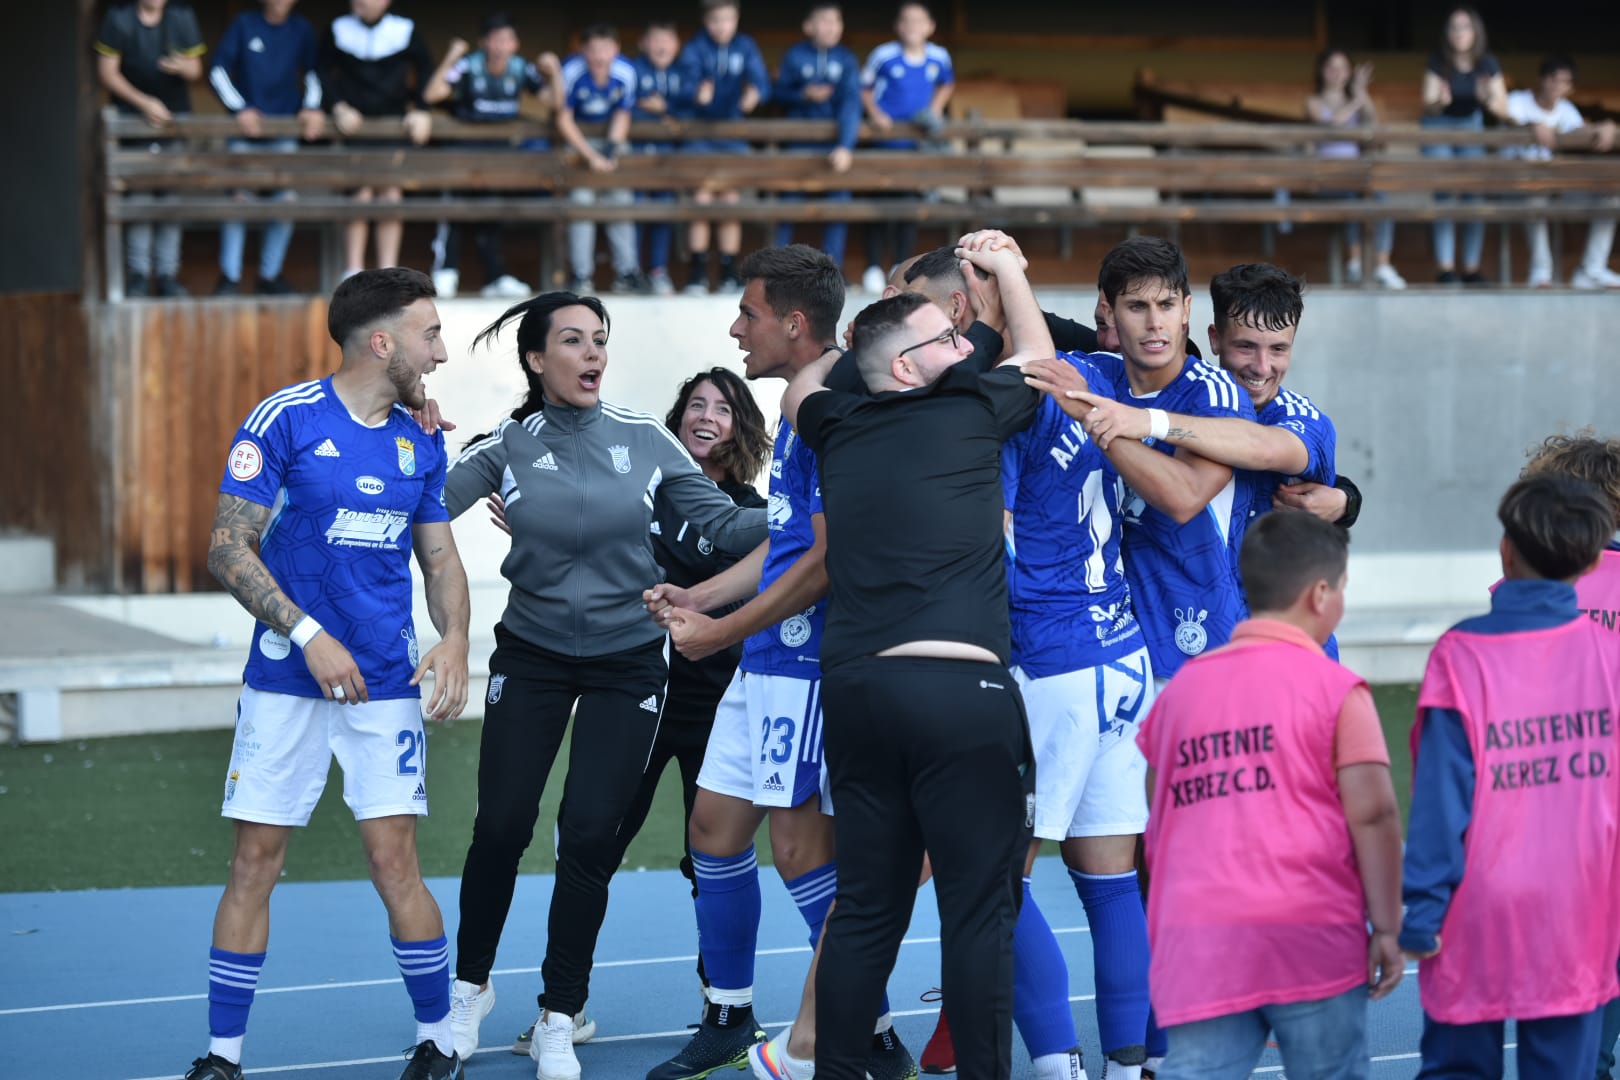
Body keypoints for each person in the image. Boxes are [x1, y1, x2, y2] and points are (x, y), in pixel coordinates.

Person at [438, 291, 768, 1080]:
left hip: (629, 661)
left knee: (588, 835)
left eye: (601, 341)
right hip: (533, 655)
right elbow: (426, 506)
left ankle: (559, 1014)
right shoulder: (506, 445)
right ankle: (468, 992)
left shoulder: (645, 439)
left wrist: (818, 506)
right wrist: (407, 439)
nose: (593, 355)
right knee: (502, 826)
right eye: (575, 341)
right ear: (535, 359)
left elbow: (724, 528)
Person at [184, 267, 472, 1080]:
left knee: (395, 863)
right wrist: (307, 633)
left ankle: (437, 1040)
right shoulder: (286, 419)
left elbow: (441, 558)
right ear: (382, 343)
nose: (441, 351)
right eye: (431, 333)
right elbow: (225, 546)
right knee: (255, 862)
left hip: (385, 683)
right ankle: (222, 1058)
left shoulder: (424, 436)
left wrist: (453, 640)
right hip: (285, 680)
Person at [777, 239, 1051, 1080]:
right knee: (976, 914)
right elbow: (1039, 359)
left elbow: (800, 387)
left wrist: (867, 350)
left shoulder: (837, 425)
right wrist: (1008, 271)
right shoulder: (967, 410)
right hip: (956, 689)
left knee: (865, 909)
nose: (966, 348)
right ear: (903, 367)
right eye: (946, 341)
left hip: (858, 694)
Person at [643, 246, 916, 1080]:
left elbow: (826, 564)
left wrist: (718, 634)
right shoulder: (806, 403)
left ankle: (861, 1027)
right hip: (765, 658)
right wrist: (701, 599)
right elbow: (783, 544)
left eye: (749, 314)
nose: (736, 329)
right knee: (712, 832)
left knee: (801, 854)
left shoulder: (833, 405)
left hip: (806, 665)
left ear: (794, 324)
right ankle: (729, 1015)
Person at [1138, 509, 1404, 1079]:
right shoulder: (1335, 688)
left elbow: (1156, 808)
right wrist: (1385, 925)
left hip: (1199, 935)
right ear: (1320, 594)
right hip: (1310, 933)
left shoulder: (1182, 690)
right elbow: (1375, 812)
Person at [1403, 472, 1620, 1079]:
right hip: (1579, 910)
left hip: (1477, 908)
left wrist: (1419, 911)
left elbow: (1440, 800)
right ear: (1585, 565)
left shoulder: (1461, 652)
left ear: (1506, 548)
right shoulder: (1611, 659)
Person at [1033, 237, 1256, 688]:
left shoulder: (1213, 392)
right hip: (1120, 643)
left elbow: (1183, 497)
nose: (1156, 324)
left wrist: (1097, 420)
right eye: (1137, 307)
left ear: (1188, 309)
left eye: (1167, 305)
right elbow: (1029, 352)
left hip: (1201, 647)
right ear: (1110, 314)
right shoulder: (1098, 374)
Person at [423, 12, 556, 299]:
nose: (500, 46)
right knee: (454, 210)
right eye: (494, 39)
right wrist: (452, 55)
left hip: (500, 156)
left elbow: (554, 102)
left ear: (515, 44)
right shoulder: (468, 66)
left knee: (493, 212)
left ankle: (495, 276)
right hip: (463, 154)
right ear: (483, 42)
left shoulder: (521, 69)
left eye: (506, 39)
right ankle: (445, 272)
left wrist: (554, 74)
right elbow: (432, 94)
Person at [210, 0, 325, 297]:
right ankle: (229, 278)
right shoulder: (244, 24)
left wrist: (311, 107)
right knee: (239, 198)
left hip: (284, 129)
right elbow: (218, 71)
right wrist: (240, 109)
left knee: (285, 200)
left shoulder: (301, 29)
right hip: (245, 130)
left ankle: (269, 276)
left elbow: (314, 72)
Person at [95, 0, 206, 298]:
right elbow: (106, 72)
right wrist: (144, 103)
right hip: (134, 118)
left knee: (171, 198)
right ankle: (139, 276)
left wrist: (182, 66)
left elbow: (197, 69)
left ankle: (168, 275)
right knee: (140, 197)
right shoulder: (119, 18)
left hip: (174, 118)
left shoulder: (181, 17)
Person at [319, 0, 436, 278]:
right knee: (360, 193)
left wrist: (421, 109)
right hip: (353, 127)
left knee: (390, 193)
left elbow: (426, 71)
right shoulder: (338, 29)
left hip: (392, 126)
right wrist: (337, 106)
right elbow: (319, 73)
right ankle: (353, 270)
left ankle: (388, 272)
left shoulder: (404, 29)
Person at [858, 2, 954, 295]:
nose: (912, 26)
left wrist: (934, 110)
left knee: (910, 206)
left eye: (919, 21)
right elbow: (864, 88)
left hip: (917, 147)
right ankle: (873, 265)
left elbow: (946, 84)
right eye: (907, 21)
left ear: (930, 26)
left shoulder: (939, 56)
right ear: (898, 26)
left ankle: (899, 264)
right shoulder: (883, 55)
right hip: (884, 145)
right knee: (879, 206)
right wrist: (875, 115)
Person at [1503, 55, 1620, 289]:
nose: (1557, 86)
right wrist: (1531, 127)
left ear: (1570, 87)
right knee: (1534, 197)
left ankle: (1591, 269)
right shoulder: (1517, 101)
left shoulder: (1566, 110)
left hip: (1556, 187)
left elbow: (1583, 130)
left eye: (1564, 82)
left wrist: (1608, 126)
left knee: (1612, 198)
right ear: (1541, 79)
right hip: (1512, 186)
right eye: (1553, 79)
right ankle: (1541, 273)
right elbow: (1504, 119)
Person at [679, 0, 771, 295]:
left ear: (736, 19)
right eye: (715, 20)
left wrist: (754, 94)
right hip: (699, 136)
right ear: (706, 21)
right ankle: (697, 272)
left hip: (732, 135)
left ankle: (730, 270)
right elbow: (683, 87)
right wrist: (697, 93)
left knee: (731, 198)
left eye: (727, 19)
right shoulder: (694, 48)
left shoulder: (745, 46)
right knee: (702, 198)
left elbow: (763, 83)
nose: (721, 26)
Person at [556, 24, 648, 295]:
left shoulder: (626, 71)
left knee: (620, 201)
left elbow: (623, 114)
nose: (599, 56)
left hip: (610, 140)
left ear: (616, 49)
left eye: (606, 49)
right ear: (583, 50)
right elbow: (563, 119)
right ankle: (582, 275)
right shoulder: (570, 71)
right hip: (577, 143)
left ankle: (626, 272)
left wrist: (610, 151)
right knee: (581, 202)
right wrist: (591, 156)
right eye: (593, 49)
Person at [1420, 6, 1507, 286]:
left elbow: (1503, 108)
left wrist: (1486, 100)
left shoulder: (1487, 63)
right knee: (1445, 194)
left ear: (1475, 32)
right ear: (1447, 34)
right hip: (1438, 127)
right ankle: (1446, 268)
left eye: (1465, 27)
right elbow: (1428, 104)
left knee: (1474, 195)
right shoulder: (1438, 62)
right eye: (1454, 28)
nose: (1459, 33)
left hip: (1471, 127)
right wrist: (1440, 102)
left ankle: (1471, 268)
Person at [773, 2, 861, 275]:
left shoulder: (846, 59)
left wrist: (845, 145)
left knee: (838, 203)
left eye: (836, 21)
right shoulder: (795, 56)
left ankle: (831, 270)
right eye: (824, 20)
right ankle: (779, 270)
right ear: (808, 26)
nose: (831, 26)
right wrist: (803, 94)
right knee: (787, 205)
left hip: (832, 148)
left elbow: (851, 104)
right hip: (797, 144)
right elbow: (776, 94)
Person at [1305, 49, 1404, 289]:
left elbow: (1375, 129)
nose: (1337, 73)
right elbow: (1332, 125)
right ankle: (1356, 261)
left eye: (1343, 68)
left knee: (1380, 199)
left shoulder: (1356, 100)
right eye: (1331, 67)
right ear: (1322, 71)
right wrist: (1357, 99)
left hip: (1355, 177)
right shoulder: (1313, 101)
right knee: (1354, 195)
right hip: (1326, 179)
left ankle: (1381, 264)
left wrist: (1362, 94)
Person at [631, 21, 697, 296]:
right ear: (643, 43)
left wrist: (666, 108)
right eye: (655, 39)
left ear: (677, 45)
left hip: (671, 158)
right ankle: (631, 273)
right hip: (634, 157)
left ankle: (658, 271)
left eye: (668, 40)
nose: (661, 46)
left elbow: (694, 111)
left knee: (664, 211)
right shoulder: (632, 70)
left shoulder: (684, 72)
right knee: (632, 213)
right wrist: (661, 116)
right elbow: (625, 109)